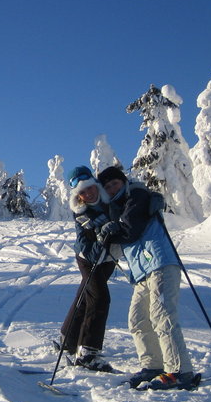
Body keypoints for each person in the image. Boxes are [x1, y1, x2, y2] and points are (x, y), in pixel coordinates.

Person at [96, 166, 196, 390]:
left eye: (115, 183)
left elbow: (131, 229)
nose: (112, 188)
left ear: (123, 182)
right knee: (138, 320)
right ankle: (152, 365)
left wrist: (113, 229)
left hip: (160, 263)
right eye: (108, 186)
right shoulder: (116, 206)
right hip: (142, 271)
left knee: (162, 316)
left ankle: (180, 371)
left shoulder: (137, 195)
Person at [58, 166, 117, 372]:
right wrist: (101, 236)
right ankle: (88, 353)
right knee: (100, 298)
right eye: (82, 192)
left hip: (108, 259)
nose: (88, 193)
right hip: (88, 259)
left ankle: (67, 339)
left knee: (86, 297)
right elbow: (87, 248)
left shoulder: (110, 200)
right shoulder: (81, 213)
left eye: (90, 188)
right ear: (78, 196)